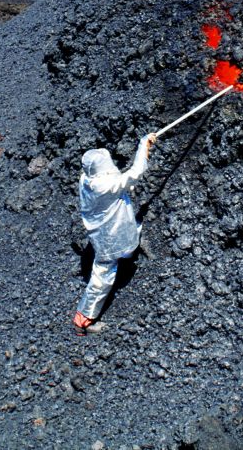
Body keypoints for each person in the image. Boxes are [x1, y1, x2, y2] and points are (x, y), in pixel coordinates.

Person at [73, 133, 157, 335]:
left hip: (106, 230)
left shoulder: (87, 179)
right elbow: (135, 173)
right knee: (102, 276)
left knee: (127, 237)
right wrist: (142, 145)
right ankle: (83, 320)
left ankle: (128, 256)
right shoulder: (105, 186)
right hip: (109, 239)